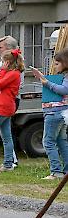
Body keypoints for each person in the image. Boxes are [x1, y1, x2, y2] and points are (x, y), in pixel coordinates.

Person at [31, 49, 68, 179]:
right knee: (61, 141)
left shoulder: (66, 76)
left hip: (54, 112)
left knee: (48, 142)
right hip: (60, 113)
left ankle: (56, 171)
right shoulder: (62, 76)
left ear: (65, 63)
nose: (55, 66)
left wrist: (47, 83)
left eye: (57, 63)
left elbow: (64, 90)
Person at [0, 35, 23, 167]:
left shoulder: (14, 65)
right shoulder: (4, 63)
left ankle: (11, 159)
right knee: (2, 131)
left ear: (9, 49)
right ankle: (10, 159)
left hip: (9, 100)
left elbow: (0, 84)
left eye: (1, 47)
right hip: (2, 99)